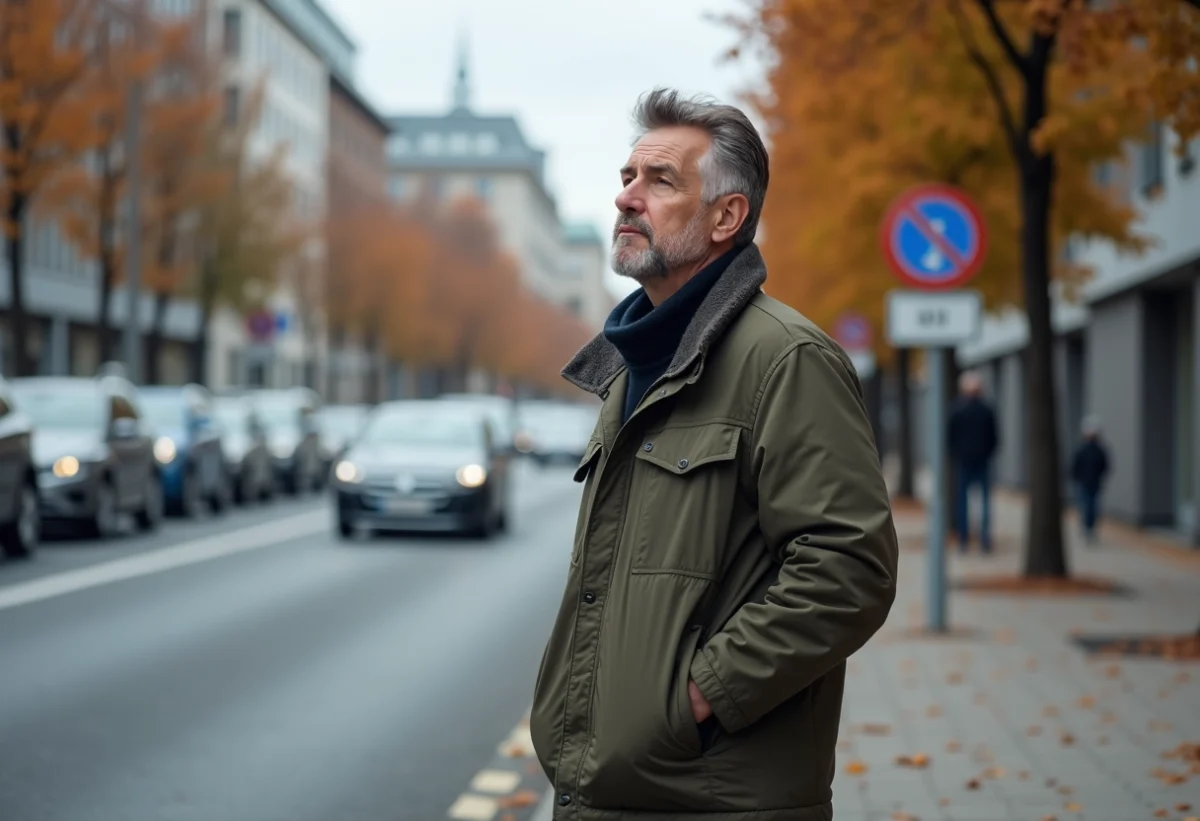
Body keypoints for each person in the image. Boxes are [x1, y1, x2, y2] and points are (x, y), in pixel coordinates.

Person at [529, 88, 899, 821]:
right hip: (610, 794)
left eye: (660, 181)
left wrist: (697, 699)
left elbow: (849, 567)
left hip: (715, 798)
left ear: (726, 216)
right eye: (627, 177)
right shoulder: (635, 365)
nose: (627, 197)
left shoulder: (786, 359)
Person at [947, 370, 999, 553]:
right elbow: (994, 437)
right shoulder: (987, 410)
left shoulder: (957, 410)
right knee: (984, 501)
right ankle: (984, 540)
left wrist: (956, 453)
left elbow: (950, 436)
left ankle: (963, 540)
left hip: (963, 460)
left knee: (963, 501)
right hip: (982, 459)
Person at [1071, 415, 1110, 544]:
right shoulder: (1091, 449)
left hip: (1090, 482)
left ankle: (1089, 527)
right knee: (1089, 505)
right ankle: (1088, 527)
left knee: (1089, 505)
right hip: (1089, 482)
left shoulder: (1092, 449)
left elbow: (1104, 465)